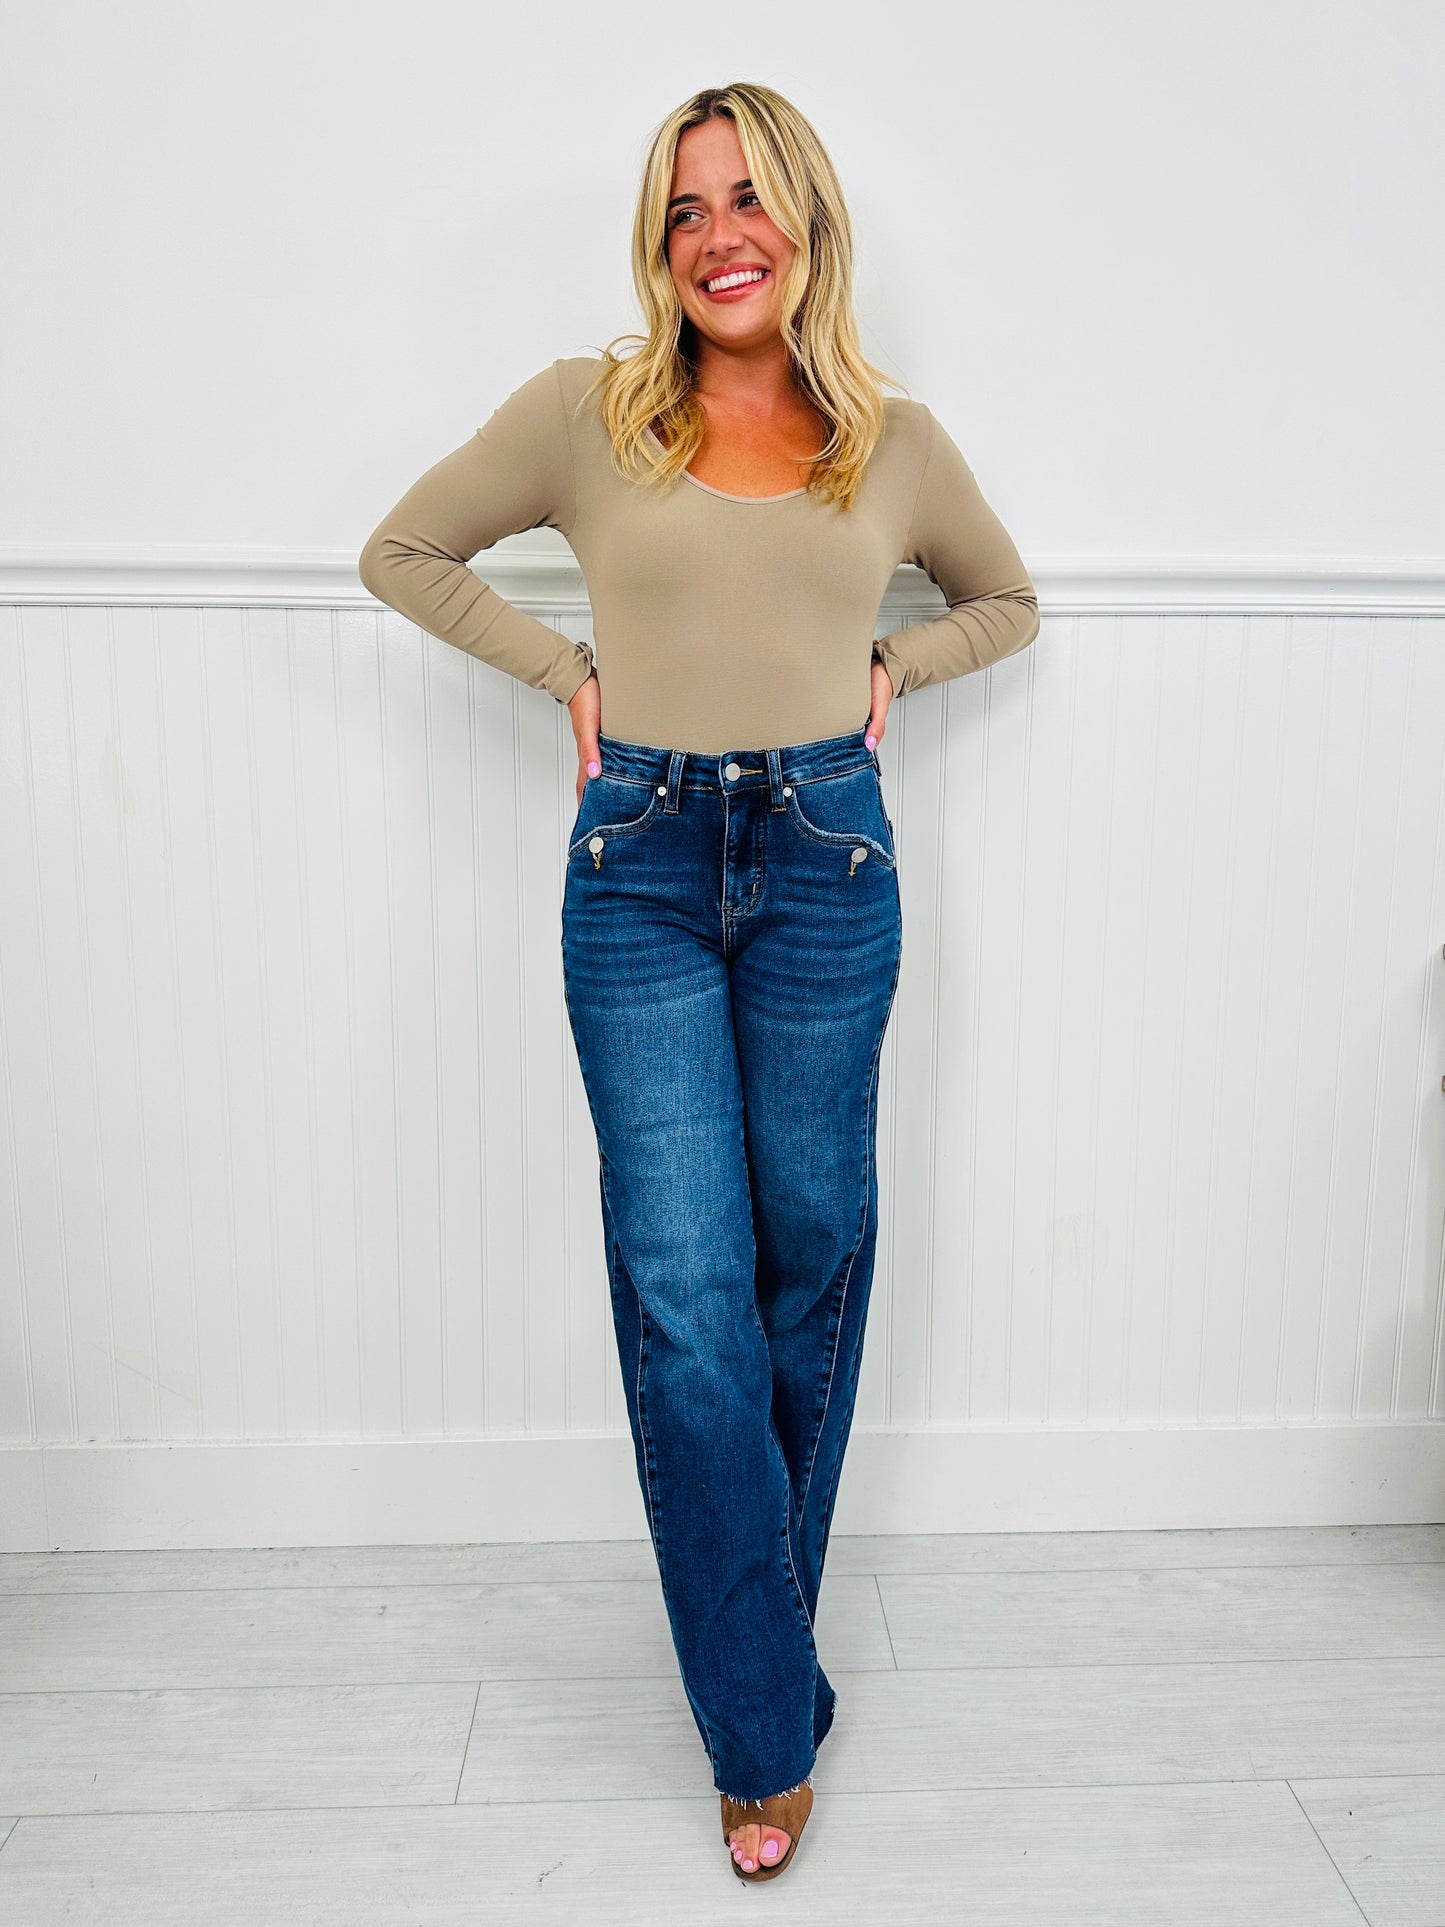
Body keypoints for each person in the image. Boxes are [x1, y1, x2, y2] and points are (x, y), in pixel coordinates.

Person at [358, 80, 1039, 1885]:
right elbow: (400, 551)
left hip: (826, 864)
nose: (718, 236)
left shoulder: (894, 440)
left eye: (747, 199)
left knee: (810, 1255)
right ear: (657, 245)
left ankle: (758, 1652)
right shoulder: (582, 414)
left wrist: (898, 670)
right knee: (684, 1296)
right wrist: (563, 676)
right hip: (640, 869)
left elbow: (1007, 600)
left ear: (806, 221)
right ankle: (759, 1731)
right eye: (684, 209)